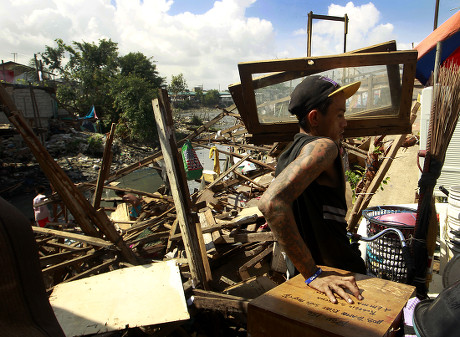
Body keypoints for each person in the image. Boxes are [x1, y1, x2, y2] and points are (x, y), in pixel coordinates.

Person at [258, 75, 366, 305]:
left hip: (304, 279)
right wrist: (314, 273)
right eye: (339, 115)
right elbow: (271, 203)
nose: (345, 123)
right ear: (315, 117)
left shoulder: (289, 153)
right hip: (339, 280)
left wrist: (308, 273)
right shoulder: (324, 146)